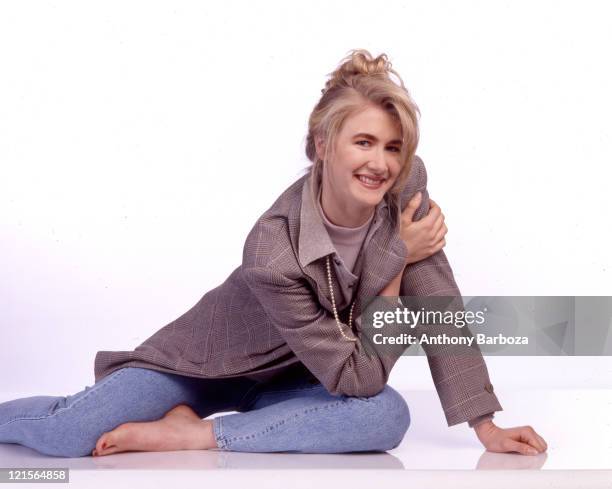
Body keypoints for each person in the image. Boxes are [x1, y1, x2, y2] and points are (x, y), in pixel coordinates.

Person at [0, 49, 547, 458]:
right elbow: (363, 362)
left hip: (301, 377)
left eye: (393, 146)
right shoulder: (272, 248)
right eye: (363, 142)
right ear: (321, 146)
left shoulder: (405, 190)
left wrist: (485, 425)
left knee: (386, 417)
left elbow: (434, 311)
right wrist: (397, 257)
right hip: (206, 366)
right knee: (67, 433)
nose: (380, 163)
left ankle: (196, 433)